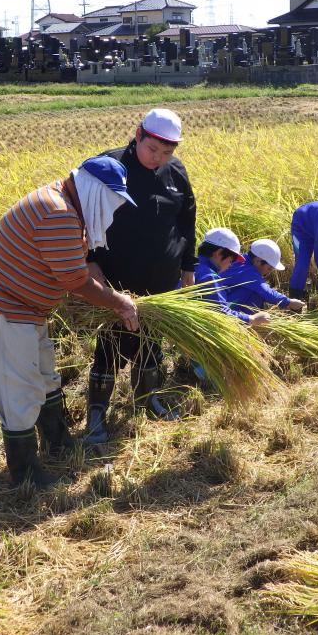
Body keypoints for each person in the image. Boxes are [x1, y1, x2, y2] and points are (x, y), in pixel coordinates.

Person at [0, 156, 140, 489]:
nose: (113, 209)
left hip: (26, 310)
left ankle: (57, 443)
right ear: (94, 190)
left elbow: (77, 267)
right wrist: (118, 302)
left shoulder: (66, 203)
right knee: (20, 388)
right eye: (111, 200)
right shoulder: (58, 213)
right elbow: (76, 280)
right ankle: (26, 474)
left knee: (45, 376)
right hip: (3, 311)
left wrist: (112, 296)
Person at [84, 108, 196, 445]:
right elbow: (84, 221)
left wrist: (187, 274)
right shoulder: (109, 167)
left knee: (151, 343)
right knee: (110, 346)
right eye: (152, 150)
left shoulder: (175, 172)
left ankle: (149, 401)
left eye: (167, 153)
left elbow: (187, 223)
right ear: (138, 135)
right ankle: (96, 415)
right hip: (118, 281)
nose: (158, 158)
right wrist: (91, 267)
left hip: (161, 280)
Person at [222, 238, 305, 315]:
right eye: (269, 268)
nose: (268, 272)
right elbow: (265, 291)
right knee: (255, 292)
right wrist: (289, 302)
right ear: (258, 261)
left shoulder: (243, 262)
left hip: (224, 301)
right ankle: (245, 324)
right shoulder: (246, 270)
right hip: (222, 308)